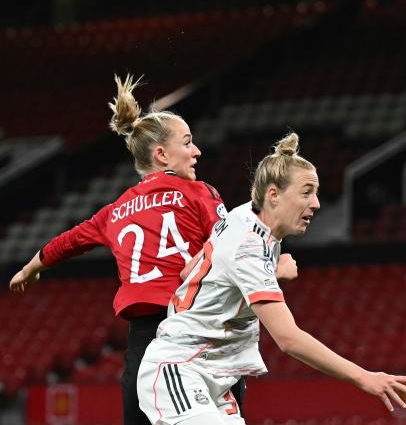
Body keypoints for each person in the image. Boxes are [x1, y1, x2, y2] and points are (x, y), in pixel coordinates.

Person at [9, 74, 297, 425]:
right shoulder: (199, 193)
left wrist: (30, 269)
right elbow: (232, 247)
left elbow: (66, 243)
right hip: (196, 333)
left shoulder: (114, 210)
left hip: (143, 344)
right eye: (188, 143)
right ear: (161, 154)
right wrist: (273, 266)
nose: (197, 150)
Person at [137, 132, 406, 425]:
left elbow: (191, 272)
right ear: (273, 195)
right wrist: (365, 378)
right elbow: (288, 339)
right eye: (306, 192)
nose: (316, 204)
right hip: (180, 368)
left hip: (216, 380)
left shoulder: (244, 215)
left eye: (317, 193)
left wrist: (269, 271)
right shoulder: (249, 247)